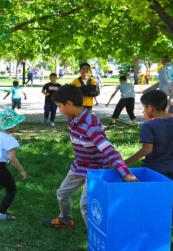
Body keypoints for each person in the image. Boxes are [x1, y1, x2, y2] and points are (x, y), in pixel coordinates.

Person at [43, 85, 137, 230]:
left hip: (95, 169)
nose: (59, 110)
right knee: (62, 193)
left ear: (69, 103)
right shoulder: (73, 118)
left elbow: (109, 150)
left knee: (86, 205)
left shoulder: (90, 125)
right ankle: (65, 220)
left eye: (60, 106)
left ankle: (96, 238)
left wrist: (125, 173)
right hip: (79, 166)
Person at [125, 90, 173, 250]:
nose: (143, 111)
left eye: (144, 107)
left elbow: (147, 149)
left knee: (150, 203)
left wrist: (124, 162)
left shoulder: (150, 125)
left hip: (154, 170)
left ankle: (151, 237)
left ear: (151, 108)